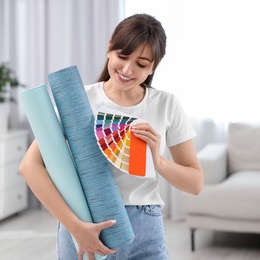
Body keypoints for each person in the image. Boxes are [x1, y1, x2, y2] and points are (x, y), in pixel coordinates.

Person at [19, 13, 203, 260]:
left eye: (141, 64)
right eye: (122, 56)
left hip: (145, 227)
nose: (127, 70)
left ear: (154, 66)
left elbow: (195, 183)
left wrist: (158, 162)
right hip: (84, 222)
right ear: (109, 48)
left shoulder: (165, 104)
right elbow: (30, 166)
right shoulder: (78, 101)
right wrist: (76, 227)